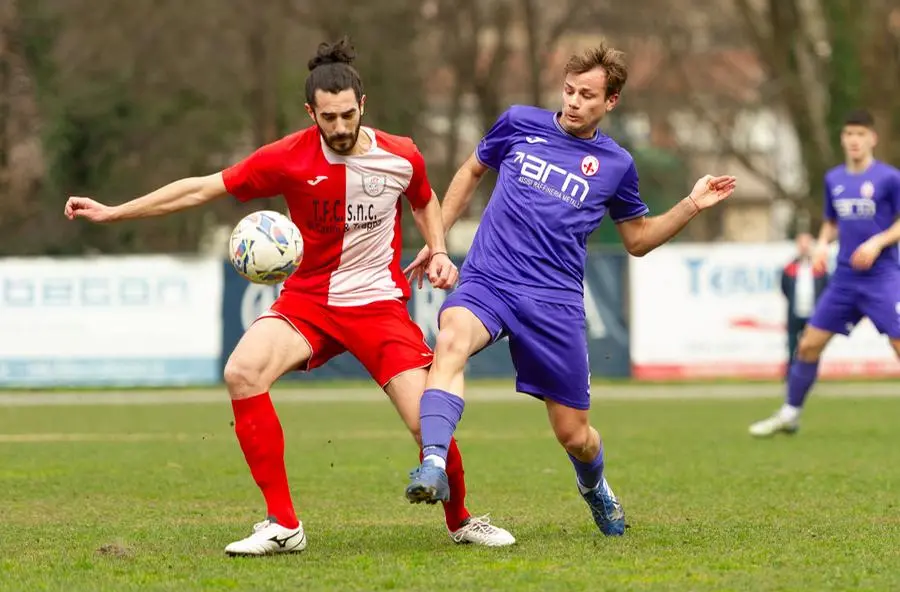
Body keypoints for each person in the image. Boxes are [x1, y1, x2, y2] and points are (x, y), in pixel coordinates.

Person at [64, 37, 514, 555]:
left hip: (378, 307)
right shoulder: (287, 158)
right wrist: (116, 211)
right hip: (309, 302)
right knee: (242, 371)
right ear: (311, 113)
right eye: (328, 118)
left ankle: (461, 521)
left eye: (347, 115)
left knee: (425, 420)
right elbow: (201, 189)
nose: (340, 127)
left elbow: (424, 198)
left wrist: (437, 248)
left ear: (363, 105)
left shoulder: (401, 154)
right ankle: (283, 525)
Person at [401, 41, 736, 536]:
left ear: (611, 102)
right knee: (450, 338)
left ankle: (594, 486)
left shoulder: (616, 164)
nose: (574, 102)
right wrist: (438, 241)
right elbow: (473, 169)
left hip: (554, 303)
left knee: (574, 435)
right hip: (490, 278)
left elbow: (638, 241)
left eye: (588, 95)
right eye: (569, 90)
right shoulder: (518, 122)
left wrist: (690, 203)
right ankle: (432, 463)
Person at [750, 109, 900, 438]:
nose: (854, 140)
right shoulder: (835, 179)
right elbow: (832, 222)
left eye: (861, 134)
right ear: (843, 139)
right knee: (807, 346)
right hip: (845, 280)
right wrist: (821, 244)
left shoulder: (889, 178)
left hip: (883, 279)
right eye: (849, 135)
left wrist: (878, 242)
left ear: (872, 138)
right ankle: (790, 413)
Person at [780, 232, 829, 374]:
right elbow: (784, 288)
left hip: (814, 314)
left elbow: (826, 287)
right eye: (801, 244)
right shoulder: (790, 268)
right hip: (795, 313)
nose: (804, 247)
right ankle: (791, 378)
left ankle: (809, 377)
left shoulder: (819, 268)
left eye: (807, 244)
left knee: (812, 348)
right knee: (792, 347)